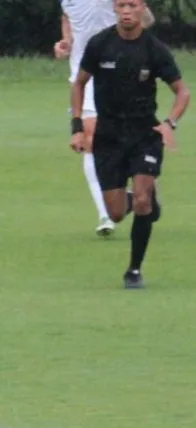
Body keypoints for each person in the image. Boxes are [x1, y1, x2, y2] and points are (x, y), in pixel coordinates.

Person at [70, 0, 190, 288]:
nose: (126, 10)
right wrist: (76, 127)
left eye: (132, 5)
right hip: (108, 136)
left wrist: (169, 123)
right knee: (115, 213)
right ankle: (145, 201)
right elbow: (79, 83)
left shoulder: (154, 49)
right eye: (121, 5)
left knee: (141, 200)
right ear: (114, 8)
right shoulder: (100, 44)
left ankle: (134, 270)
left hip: (144, 135)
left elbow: (182, 92)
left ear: (141, 9)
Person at [55, 0, 155, 236]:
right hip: (84, 76)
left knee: (129, 136)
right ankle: (104, 215)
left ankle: (141, 192)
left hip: (121, 73)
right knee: (90, 139)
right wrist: (66, 42)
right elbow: (67, 17)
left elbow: (147, 20)